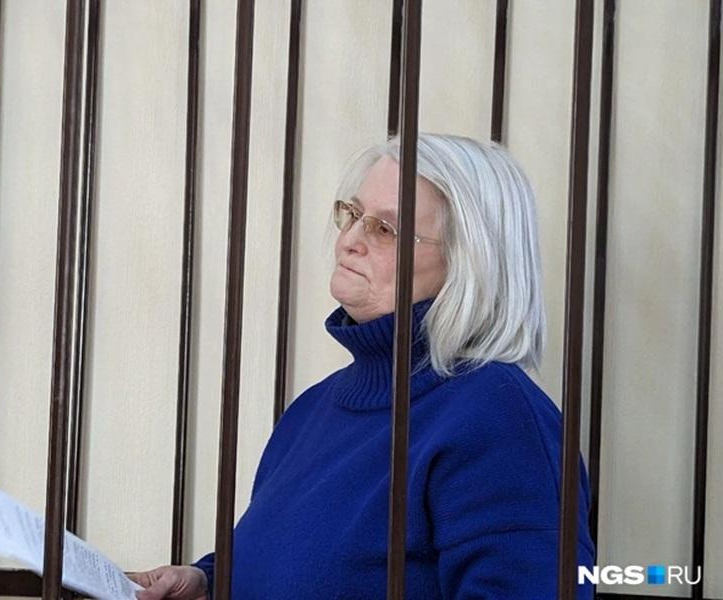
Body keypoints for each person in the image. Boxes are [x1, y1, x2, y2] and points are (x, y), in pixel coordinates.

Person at [130, 134, 596, 599]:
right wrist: (211, 581)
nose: (349, 240)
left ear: (469, 261)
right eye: (353, 214)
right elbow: (310, 566)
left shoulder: (499, 418)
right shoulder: (314, 408)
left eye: (385, 230)